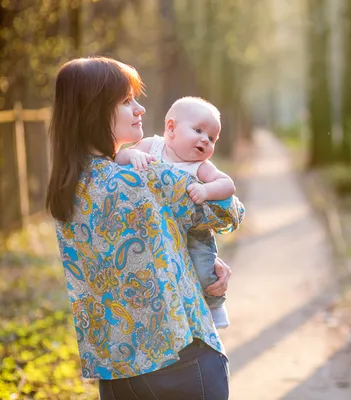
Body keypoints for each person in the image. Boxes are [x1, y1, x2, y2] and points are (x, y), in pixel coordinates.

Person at [46, 56, 244, 399]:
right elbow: (231, 211)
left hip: (117, 371)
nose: (139, 109)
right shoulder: (146, 177)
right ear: (94, 110)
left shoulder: (68, 188)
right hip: (180, 355)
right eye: (126, 101)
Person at [114, 97, 235, 329]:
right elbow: (117, 159)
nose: (205, 140)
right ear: (171, 128)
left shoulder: (199, 166)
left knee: (204, 268)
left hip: (193, 234)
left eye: (211, 138)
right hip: (157, 228)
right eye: (198, 130)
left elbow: (228, 184)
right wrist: (132, 155)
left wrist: (206, 189)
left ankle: (215, 305)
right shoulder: (152, 146)